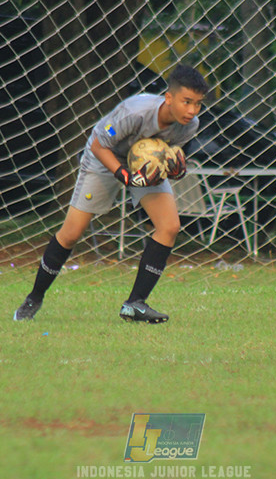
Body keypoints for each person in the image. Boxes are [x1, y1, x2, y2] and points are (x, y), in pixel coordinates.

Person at [14, 64, 209, 324]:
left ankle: (135, 303)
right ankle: (34, 298)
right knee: (71, 233)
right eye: (187, 102)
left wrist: (173, 169)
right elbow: (98, 144)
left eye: (197, 104)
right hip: (104, 158)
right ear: (169, 97)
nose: (192, 110)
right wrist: (122, 173)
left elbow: (167, 156)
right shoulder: (136, 111)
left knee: (170, 226)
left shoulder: (189, 125)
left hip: (142, 164)